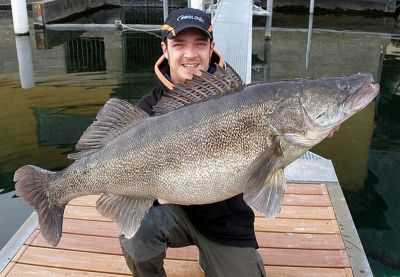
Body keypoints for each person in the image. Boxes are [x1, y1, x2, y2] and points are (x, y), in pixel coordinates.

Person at [119, 7, 267, 277]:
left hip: (224, 220)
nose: (190, 54)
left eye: (200, 44)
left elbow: (277, 145)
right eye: (179, 45)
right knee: (136, 235)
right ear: (165, 48)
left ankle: (211, 256)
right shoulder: (147, 109)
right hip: (170, 213)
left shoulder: (237, 99)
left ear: (212, 47)